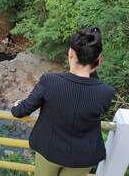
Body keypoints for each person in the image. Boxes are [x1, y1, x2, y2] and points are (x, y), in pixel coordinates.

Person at [11, 27, 115, 176]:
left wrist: (16, 107)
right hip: (82, 157)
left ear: (70, 54)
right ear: (98, 61)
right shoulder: (106, 92)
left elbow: (22, 110)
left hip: (49, 150)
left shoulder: (50, 81)